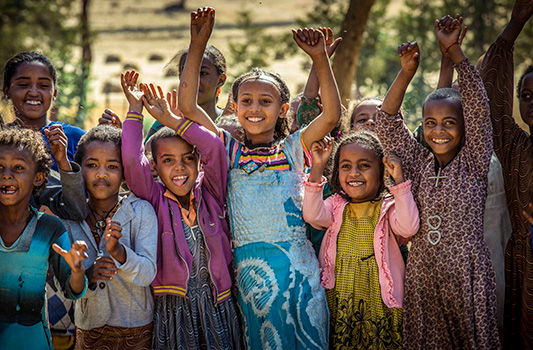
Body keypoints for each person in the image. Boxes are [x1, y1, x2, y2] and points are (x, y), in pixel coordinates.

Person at [178, 7, 341, 349]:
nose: (255, 108)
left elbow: (331, 115)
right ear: (234, 107)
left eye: (265, 101)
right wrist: (198, 45)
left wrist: (320, 58)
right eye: (247, 101)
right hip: (254, 277)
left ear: (283, 110)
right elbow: (189, 107)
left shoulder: (294, 149)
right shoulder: (228, 150)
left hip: (300, 272)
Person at [375, 16, 501, 349]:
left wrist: (454, 51)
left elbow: (476, 105)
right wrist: (406, 73)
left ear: (465, 127)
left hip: (466, 274)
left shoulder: (474, 160)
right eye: (430, 122)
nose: (438, 130)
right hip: (423, 272)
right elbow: (386, 124)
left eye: (449, 122)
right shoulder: (418, 162)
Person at [121, 68, 243, 349]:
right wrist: (135, 109)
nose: (179, 167)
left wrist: (171, 120)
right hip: (173, 309)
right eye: (168, 160)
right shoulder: (153, 197)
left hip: (219, 303)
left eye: (188, 158)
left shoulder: (211, 192)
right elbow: (130, 158)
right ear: (154, 167)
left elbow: (213, 145)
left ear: (198, 161)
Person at [302, 132, 418, 349]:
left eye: (364, 165)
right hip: (341, 292)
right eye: (346, 166)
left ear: (383, 172)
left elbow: (409, 226)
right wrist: (317, 168)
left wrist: (400, 182)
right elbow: (311, 214)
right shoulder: (335, 205)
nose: (354, 173)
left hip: (379, 296)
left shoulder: (388, 207)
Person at [59, 125, 157, 349]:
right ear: (79, 169)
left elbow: (147, 274)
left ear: (124, 172)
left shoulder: (140, 211)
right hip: (89, 333)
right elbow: (67, 289)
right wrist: (86, 274)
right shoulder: (69, 219)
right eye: (92, 165)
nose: (101, 173)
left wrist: (119, 253)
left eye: (112, 166)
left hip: (136, 332)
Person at [476, 0, 533, 347]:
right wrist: (514, 26)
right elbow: (489, 91)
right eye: (526, 96)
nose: (532, 102)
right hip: (520, 272)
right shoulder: (515, 146)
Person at [0, 127, 88, 349]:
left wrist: (77, 271)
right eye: (0, 167)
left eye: (18, 167)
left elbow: (73, 289)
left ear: (38, 177)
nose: (6, 174)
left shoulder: (49, 228)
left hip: (32, 341)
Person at [2, 51, 85, 172]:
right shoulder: (2, 140)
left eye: (44, 85)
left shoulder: (76, 139)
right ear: (7, 91)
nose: (34, 92)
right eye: (24, 84)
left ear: (54, 93)